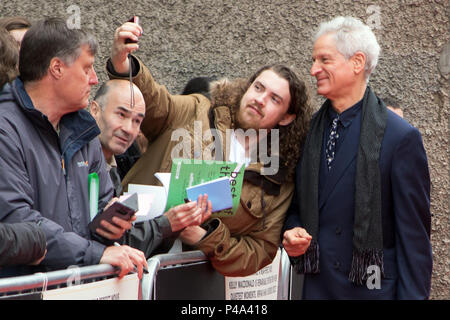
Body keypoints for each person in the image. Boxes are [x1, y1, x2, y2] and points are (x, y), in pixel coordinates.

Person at [105, 20, 313, 277]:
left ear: (286, 117)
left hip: (191, 281)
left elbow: (259, 251)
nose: (260, 99)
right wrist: (123, 65)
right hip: (127, 254)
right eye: (258, 87)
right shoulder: (197, 110)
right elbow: (156, 102)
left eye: (274, 99)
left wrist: (204, 236)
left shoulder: (276, 178)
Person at [282, 16, 432, 299]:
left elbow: (414, 242)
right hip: (317, 289)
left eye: (324, 60)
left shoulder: (400, 137)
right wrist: (291, 232)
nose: (314, 70)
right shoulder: (309, 131)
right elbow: (297, 208)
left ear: (357, 62)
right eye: (313, 60)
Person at [0, 17, 147, 279]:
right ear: (57, 68)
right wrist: (94, 253)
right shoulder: (5, 128)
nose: (94, 79)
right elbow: (18, 220)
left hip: (82, 287)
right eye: (87, 68)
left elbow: (99, 206)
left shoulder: (84, 131)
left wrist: (111, 224)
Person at [90, 79, 213, 257]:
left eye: (137, 121)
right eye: (121, 115)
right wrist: (167, 224)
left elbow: (123, 243)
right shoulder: (76, 162)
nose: (128, 129)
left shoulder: (114, 166)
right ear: (94, 109)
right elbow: (98, 243)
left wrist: (174, 225)